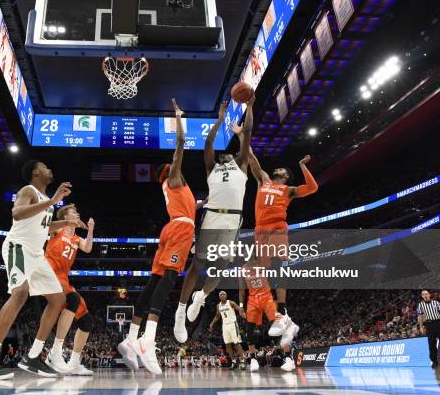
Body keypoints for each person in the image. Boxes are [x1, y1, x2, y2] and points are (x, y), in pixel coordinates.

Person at [0, 160, 81, 380]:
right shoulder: (28, 190)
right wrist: (53, 200)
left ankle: (33, 356)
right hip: (19, 246)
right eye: (44, 166)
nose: (49, 168)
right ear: (35, 172)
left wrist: (65, 223)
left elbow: (43, 227)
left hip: (36, 254)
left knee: (58, 299)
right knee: (20, 293)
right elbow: (18, 213)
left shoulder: (48, 203)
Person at [118, 99, 198, 375]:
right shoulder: (174, 178)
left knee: (154, 281)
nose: (178, 167)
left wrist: (206, 203)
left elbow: (190, 206)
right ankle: (147, 341)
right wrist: (178, 117)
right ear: (169, 173)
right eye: (174, 166)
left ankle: (130, 338)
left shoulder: (178, 193)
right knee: (169, 279)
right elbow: (180, 145)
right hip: (180, 231)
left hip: (171, 228)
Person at [175, 95, 255, 343]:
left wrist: (249, 107)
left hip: (232, 220)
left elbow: (248, 135)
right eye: (224, 154)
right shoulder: (213, 167)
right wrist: (220, 119)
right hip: (212, 217)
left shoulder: (241, 165)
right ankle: (181, 310)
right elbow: (207, 144)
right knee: (197, 265)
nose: (226, 155)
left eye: (230, 154)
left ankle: (201, 296)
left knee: (222, 264)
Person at [245, 150, 318, 343]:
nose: (277, 169)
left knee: (278, 263)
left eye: (282, 169)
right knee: (265, 272)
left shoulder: (289, 190)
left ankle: (283, 309)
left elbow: (313, 187)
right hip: (260, 230)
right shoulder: (264, 180)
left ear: (285, 176)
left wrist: (302, 166)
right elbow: (253, 161)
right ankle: (286, 321)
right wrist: (244, 139)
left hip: (277, 225)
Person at [45, 204, 95, 376]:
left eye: (76, 212)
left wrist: (90, 230)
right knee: (73, 299)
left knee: (87, 321)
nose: (77, 214)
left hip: (64, 280)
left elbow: (88, 248)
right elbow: (46, 226)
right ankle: (55, 352)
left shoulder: (75, 239)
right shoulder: (58, 230)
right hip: (50, 275)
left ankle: (74, 362)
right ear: (65, 216)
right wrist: (65, 221)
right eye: (74, 212)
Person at [239, 259, 295, 372]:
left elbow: (278, 273)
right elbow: (242, 289)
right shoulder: (242, 269)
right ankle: (253, 360)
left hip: (266, 297)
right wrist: (240, 306)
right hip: (253, 300)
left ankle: (289, 358)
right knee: (249, 331)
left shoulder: (262, 263)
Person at [208, 291, 245, 370]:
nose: (222, 295)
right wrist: (212, 323)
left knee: (237, 343)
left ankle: (242, 361)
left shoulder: (231, 303)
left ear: (226, 295)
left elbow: (238, 308)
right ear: (219, 297)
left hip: (233, 324)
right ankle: (234, 362)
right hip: (225, 326)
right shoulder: (218, 306)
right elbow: (218, 316)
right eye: (220, 294)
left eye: (224, 294)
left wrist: (241, 311)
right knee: (227, 345)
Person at [417, 290, 440, 368]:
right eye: (423, 294)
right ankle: (434, 362)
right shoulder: (420, 305)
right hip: (429, 325)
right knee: (431, 344)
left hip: (438, 323)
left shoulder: (436, 303)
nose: (425, 295)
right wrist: (421, 327)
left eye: (426, 294)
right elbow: (420, 317)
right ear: (422, 296)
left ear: (429, 295)